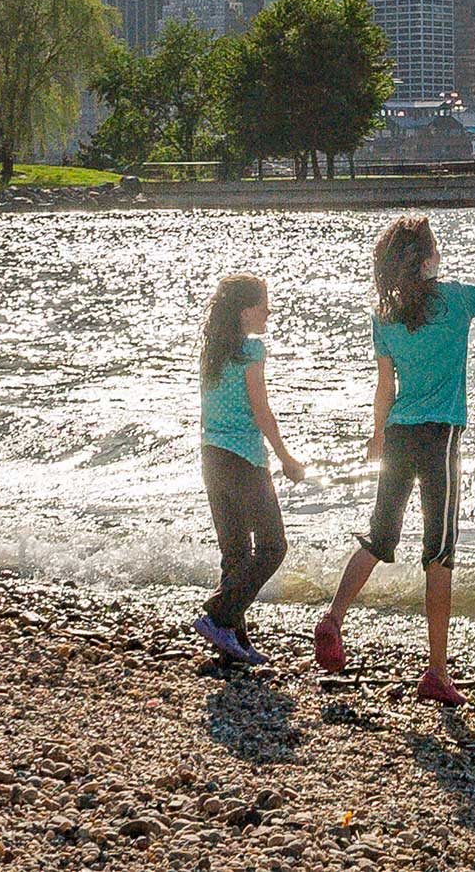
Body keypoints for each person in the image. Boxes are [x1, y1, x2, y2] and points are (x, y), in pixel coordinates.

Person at [313, 217, 475, 703]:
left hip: (398, 433)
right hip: (440, 436)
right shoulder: (454, 298)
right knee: (440, 553)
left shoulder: (385, 314)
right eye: (436, 248)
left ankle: (332, 617)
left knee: (380, 536)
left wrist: (375, 437)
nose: (440, 253)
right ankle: (436, 672)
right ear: (428, 259)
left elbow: (384, 388)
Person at [193, 274, 308, 664]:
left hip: (211, 456)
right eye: (264, 304)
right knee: (274, 546)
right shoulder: (252, 351)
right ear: (245, 312)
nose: (269, 311)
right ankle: (218, 614)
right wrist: (286, 458)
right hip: (243, 458)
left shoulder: (213, 350)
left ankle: (231, 643)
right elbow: (261, 411)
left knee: (236, 554)